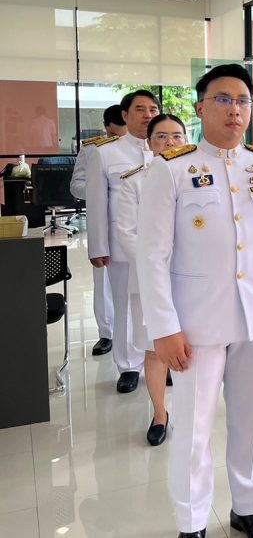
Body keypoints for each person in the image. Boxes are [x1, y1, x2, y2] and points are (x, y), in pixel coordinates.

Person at [136, 64, 253, 538]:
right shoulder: (172, 169)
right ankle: (192, 523)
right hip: (195, 324)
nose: (235, 110)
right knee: (193, 428)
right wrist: (164, 327)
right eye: (223, 99)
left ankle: (247, 508)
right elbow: (152, 255)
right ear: (200, 108)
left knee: (250, 419)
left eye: (243, 100)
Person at [116, 113, 188, 446]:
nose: (170, 143)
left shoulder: (200, 177)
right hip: (149, 280)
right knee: (155, 349)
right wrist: (155, 267)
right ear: (149, 143)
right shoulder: (133, 181)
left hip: (193, 278)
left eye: (177, 136)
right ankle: (160, 414)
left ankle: (190, 411)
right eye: (161, 137)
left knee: (193, 347)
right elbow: (126, 233)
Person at [86, 90, 158, 392]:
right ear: (125, 115)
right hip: (121, 244)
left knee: (160, 302)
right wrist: (98, 246)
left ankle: (159, 360)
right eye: (140, 109)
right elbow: (96, 203)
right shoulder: (106, 153)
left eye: (153, 109)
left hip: (162, 246)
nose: (148, 115)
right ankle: (128, 365)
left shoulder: (169, 151)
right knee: (125, 304)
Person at [71, 103, 126, 356]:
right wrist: (100, 189)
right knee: (103, 280)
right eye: (114, 134)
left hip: (136, 223)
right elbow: (76, 185)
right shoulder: (93, 148)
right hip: (104, 220)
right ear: (106, 128)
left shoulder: (145, 146)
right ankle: (107, 333)